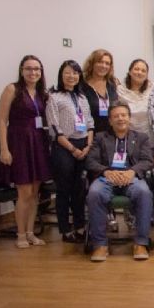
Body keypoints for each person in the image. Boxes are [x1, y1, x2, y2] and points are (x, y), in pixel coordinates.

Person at [84, 101, 154, 262]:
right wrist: (106, 171)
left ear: (129, 118)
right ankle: (100, 244)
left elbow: (147, 161)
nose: (120, 119)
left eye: (123, 115)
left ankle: (141, 243)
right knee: (94, 193)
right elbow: (91, 161)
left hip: (132, 178)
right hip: (106, 178)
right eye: (116, 116)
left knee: (144, 192)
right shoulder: (101, 138)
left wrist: (132, 171)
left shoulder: (141, 138)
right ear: (110, 120)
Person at [0, 55, 51, 248]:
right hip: (19, 143)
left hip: (38, 143)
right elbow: (2, 121)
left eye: (37, 69)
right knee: (24, 192)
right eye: (29, 68)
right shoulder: (12, 89)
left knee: (35, 192)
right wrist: (4, 149)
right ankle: (20, 234)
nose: (33, 72)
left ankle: (30, 232)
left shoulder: (41, 93)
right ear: (22, 70)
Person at [46, 60, 94, 243]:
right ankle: (66, 230)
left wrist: (87, 147)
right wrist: (73, 149)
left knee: (80, 189)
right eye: (68, 73)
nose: (72, 76)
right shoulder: (54, 97)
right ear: (61, 75)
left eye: (75, 73)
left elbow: (90, 123)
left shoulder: (82, 97)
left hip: (84, 144)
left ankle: (80, 226)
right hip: (64, 146)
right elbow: (55, 128)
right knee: (64, 189)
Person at [81, 49, 118, 133]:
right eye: (100, 62)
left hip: (111, 134)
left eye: (107, 63)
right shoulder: (81, 85)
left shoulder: (112, 83)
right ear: (92, 64)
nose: (103, 66)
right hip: (90, 134)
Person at [117, 59, 152, 138]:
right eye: (136, 69)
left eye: (143, 71)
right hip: (126, 134)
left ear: (146, 75)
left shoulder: (152, 89)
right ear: (130, 71)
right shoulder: (119, 90)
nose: (139, 72)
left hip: (147, 135)